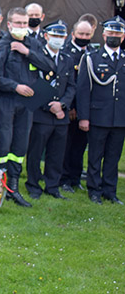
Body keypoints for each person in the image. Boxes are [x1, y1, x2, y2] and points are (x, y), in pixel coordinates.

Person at [0, 7, 55, 207]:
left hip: (27, 104)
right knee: (3, 143)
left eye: (24, 23)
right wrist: (15, 86)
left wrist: (28, 53)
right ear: (9, 24)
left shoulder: (33, 44)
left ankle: (14, 189)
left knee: (19, 146)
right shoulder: (3, 47)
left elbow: (50, 66)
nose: (21, 27)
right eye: (17, 23)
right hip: (6, 102)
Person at [25, 21, 76, 200]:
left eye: (62, 36)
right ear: (46, 36)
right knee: (36, 152)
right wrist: (50, 106)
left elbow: (71, 86)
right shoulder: (38, 55)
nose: (58, 40)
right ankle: (33, 185)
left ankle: (52, 186)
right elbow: (33, 83)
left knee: (56, 153)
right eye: (55, 36)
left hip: (61, 116)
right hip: (41, 113)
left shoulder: (67, 59)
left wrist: (62, 105)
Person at [76, 16, 125, 205]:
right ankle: (94, 189)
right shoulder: (91, 58)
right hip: (98, 116)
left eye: (118, 33)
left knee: (113, 156)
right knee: (95, 155)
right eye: (111, 33)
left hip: (120, 118)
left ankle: (109, 191)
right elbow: (83, 91)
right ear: (104, 34)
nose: (114, 36)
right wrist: (84, 117)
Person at [59, 19, 94, 192]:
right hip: (70, 109)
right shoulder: (66, 52)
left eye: (87, 34)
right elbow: (69, 83)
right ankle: (64, 178)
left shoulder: (93, 53)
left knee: (80, 146)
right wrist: (71, 106)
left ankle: (75, 177)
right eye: (81, 34)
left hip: (85, 109)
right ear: (73, 34)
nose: (84, 37)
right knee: (67, 145)